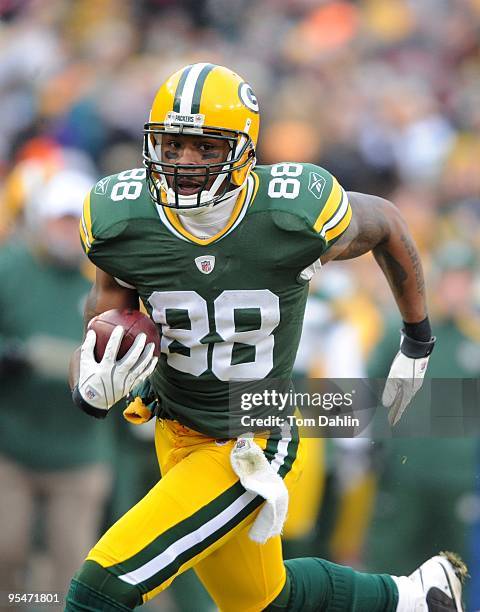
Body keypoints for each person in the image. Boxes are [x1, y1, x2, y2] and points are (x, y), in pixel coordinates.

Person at [66, 63, 466, 612]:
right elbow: (101, 330)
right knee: (263, 600)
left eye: (205, 148)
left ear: (244, 150)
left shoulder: (288, 214)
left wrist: (417, 338)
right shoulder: (122, 220)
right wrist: (88, 387)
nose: (183, 162)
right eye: (172, 144)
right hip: (175, 426)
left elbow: (389, 223)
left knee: (99, 588)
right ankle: (412, 596)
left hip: (250, 434)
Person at [0, 168, 114, 605]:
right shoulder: (11, 268)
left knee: (72, 567)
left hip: (79, 450)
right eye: (58, 220)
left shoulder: (109, 278)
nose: (66, 232)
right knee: (6, 551)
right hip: (14, 442)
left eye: (74, 222)